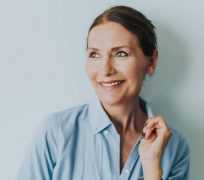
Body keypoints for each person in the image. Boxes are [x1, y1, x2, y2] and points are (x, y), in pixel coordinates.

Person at [17, 5, 190, 180]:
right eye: (94, 55)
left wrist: (152, 166)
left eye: (121, 53)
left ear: (151, 62)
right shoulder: (56, 132)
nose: (105, 70)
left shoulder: (175, 147)